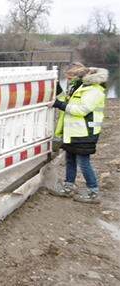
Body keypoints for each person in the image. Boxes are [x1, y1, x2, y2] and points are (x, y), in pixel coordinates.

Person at [48, 62, 107, 204]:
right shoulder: (80, 87)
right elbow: (65, 100)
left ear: (79, 76)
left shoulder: (93, 90)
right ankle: (68, 187)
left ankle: (93, 192)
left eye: (69, 79)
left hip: (85, 133)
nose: (68, 82)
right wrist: (57, 89)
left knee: (83, 162)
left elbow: (82, 110)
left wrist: (59, 105)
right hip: (75, 132)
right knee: (70, 159)